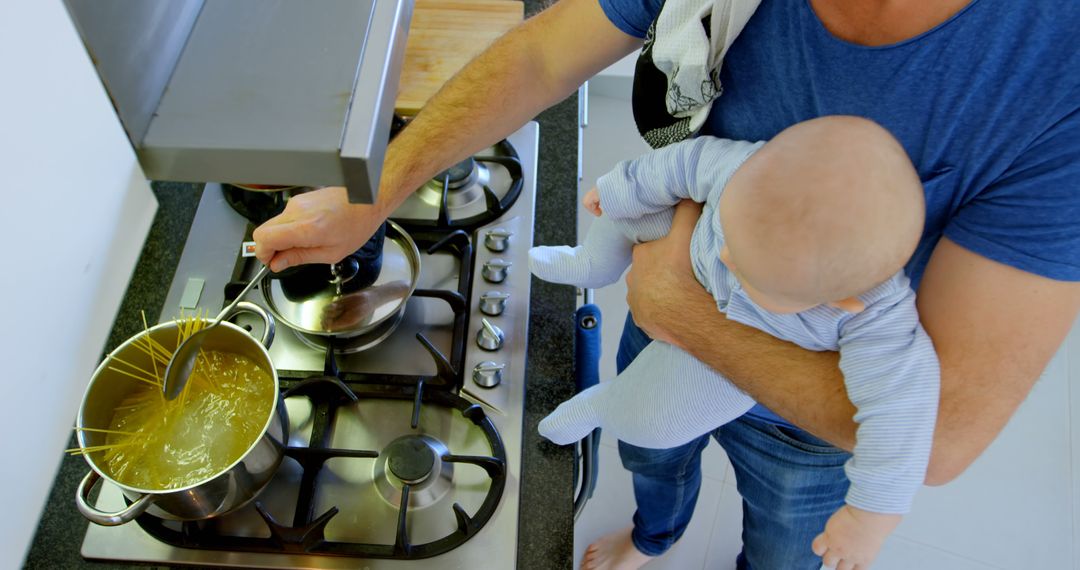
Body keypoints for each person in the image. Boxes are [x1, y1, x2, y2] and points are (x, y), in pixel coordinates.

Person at [253, 0, 1080, 568]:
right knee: (651, 446)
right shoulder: (734, 164)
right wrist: (377, 189)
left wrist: (678, 309)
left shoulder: (1053, 79)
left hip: (823, 413)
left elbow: (934, 439)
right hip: (680, 289)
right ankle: (657, 534)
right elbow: (548, 50)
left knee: (794, 541)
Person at [529, 117, 938, 567]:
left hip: (734, 366)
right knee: (634, 207)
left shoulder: (878, 318)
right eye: (732, 235)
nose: (727, 258)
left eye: (749, 270)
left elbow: (901, 423)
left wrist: (869, 518)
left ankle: (600, 407)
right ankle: (591, 262)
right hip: (683, 254)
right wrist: (617, 188)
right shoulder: (748, 167)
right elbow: (682, 163)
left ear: (841, 299)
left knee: (657, 424)